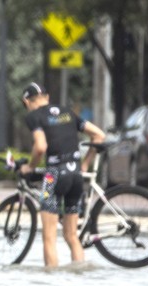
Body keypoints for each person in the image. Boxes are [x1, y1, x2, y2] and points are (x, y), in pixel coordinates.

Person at [18, 82, 106, 267]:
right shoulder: (67, 112)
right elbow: (99, 135)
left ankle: (51, 285)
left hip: (53, 176)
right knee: (72, 236)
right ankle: (79, 275)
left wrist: (30, 167)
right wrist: (85, 164)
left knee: (49, 238)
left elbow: (40, 147)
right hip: (75, 177)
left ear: (26, 101)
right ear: (47, 97)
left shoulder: (34, 117)